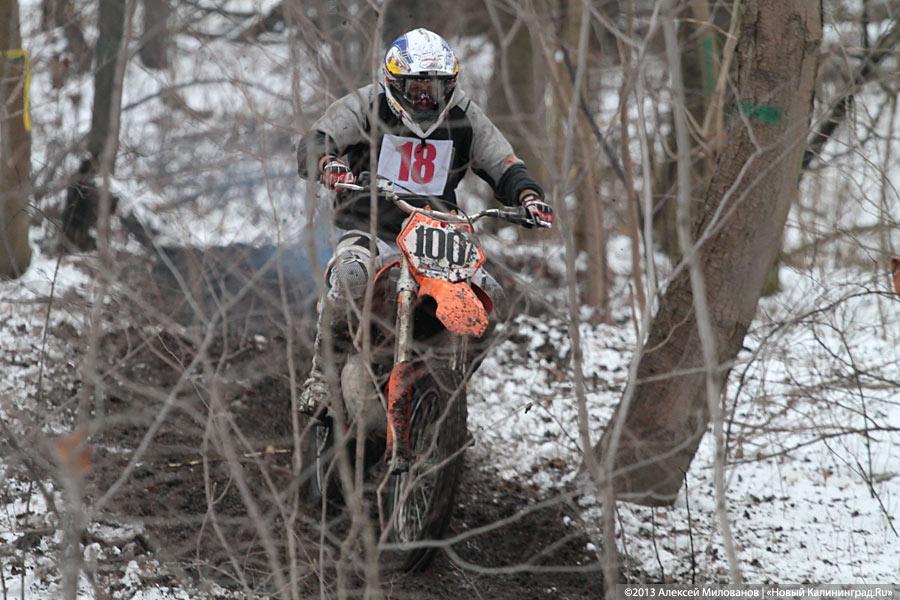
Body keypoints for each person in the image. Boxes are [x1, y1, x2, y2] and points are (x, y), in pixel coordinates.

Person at [296, 27, 553, 417]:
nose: (424, 98)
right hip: (369, 224)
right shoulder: (366, 104)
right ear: (395, 83)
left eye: (434, 87)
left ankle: (449, 393)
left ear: (449, 85)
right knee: (351, 277)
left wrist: (528, 196)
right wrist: (327, 163)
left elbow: (503, 163)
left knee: (490, 297)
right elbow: (318, 139)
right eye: (416, 87)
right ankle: (322, 377)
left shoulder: (464, 114)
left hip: (437, 231)